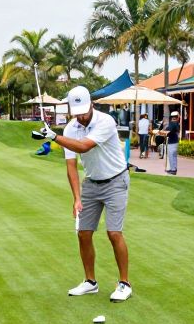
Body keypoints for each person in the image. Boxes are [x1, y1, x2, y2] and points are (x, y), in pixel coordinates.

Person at [31, 85, 133, 303]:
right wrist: (77, 198)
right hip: (91, 184)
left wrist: (53, 138)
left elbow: (84, 147)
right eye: (77, 114)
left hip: (116, 180)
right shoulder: (70, 128)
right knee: (83, 233)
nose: (81, 118)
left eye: (84, 113)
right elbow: (71, 166)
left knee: (114, 233)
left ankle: (124, 283)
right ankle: (90, 282)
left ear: (92, 106)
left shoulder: (105, 121)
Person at [164, 110, 181, 175]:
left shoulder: (172, 123)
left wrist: (164, 132)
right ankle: (174, 168)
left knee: (171, 156)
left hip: (172, 142)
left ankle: (173, 169)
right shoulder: (176, 123)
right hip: (175, 141)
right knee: (174, 156)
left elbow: (168, 130)